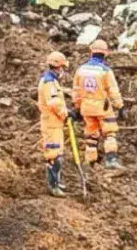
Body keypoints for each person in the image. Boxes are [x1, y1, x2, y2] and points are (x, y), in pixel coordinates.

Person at [72, 40, 124, 169]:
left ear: (91, 53)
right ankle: (111, 159)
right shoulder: (105, 71)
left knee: (91, 134)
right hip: (102, 107)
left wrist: (77, 107)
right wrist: (119, 106)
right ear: (105, 54)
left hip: (86, 108)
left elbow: (76, 91)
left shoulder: (80, 70)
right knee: (110, 133)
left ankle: (90, 161)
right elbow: (113, 90)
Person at [38, 51, 71, 197]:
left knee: (58, 153)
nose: (62, 70)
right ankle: (53, 186)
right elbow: (54, 103)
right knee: (53, 155)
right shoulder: (49, 82)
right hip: (51, 124)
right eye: (62, 67)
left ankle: (56, 181)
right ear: (57, 67)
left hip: (55, 123)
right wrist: (66, 114)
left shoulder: (51, 81)